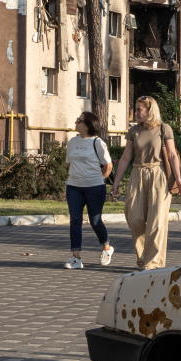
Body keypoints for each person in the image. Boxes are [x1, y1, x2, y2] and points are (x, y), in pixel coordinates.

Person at [111, 95, 181, 270]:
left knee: (157, 222)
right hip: (137, 174)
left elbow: (172, 155)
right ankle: (143, 256)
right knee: (135, 218)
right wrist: (116, 182)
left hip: (158, 175)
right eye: (135, 109)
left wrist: (179, 179)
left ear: (150, 111)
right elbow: (125, 158)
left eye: (139, 109)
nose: (136, 112)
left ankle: (153, 263)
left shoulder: (164, 129)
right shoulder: (134, 131)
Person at [63, 112, 115, 270]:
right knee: (75, 220)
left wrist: (99, 179)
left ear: (86, 125)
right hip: (73, 187)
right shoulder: (72, 142)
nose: (75, 122)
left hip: (95, 187)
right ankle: (76, 257)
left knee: (95, 220)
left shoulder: (98, 143)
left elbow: (108, 166)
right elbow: (69, 163)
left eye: (78, 120)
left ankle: (106, 247)